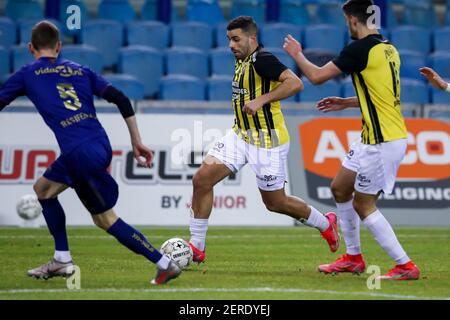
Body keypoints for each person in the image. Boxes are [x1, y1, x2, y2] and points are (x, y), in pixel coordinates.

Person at [0, 21, 180, 285]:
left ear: (30, 48)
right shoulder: (80, 69)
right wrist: (136, 141)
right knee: (43, 190)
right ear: (59, 47)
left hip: (78, 153)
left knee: (105, 220)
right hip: (97, 144)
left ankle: (164, 263)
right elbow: (120, 98)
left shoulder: (27, 74)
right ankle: (61, 258)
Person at [283, 0, 420, 280]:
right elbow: (382, 97)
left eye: (347, 20)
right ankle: (353, 258)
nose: (347, 25)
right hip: (375, 135)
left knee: (364, 204)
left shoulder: (358, 49)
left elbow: (317, 76)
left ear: (354, 21)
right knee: (340, 188)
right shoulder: (388, 48)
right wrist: (346, 102)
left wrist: (297, 54)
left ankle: (405, 266)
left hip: (382, 141)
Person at [188, 16, 340, 264]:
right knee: (202, 179)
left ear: (252, 38)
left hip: (267, 141)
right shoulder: (242, 61)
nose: (231, 45)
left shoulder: (263, 60)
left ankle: (325, 223)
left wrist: (262, 100)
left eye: (236, 39)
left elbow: (296, 83)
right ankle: (196, 246)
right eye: (229, 40)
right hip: (240, 135)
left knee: (275, 203)